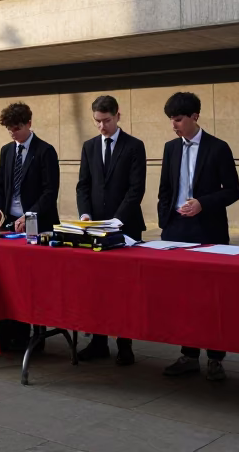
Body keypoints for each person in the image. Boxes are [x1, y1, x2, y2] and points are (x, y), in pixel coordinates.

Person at [157, 92, 239, 382]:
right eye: (171, 119)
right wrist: (165, 221)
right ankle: (189, 355)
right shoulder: (170, 148)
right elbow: (165, 188)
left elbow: (233, 190)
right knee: (183, 296)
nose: (174, 125)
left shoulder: (218, 148)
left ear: (195, 117)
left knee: (212, 296)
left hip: (209, 230)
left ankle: (216, 358)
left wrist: (203, 203)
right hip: (176, 230)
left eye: (178, 119)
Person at [75, 95, 146, 366]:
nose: (102, 127)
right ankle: (98, 341)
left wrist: (116, 220)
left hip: (124, 227)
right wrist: (85, 214)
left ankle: (125, 344)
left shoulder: (134, 146)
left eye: (106, 121)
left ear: (118, 115)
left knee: (123, 289)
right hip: (94, 227)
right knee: (96, 288)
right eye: (97, 122)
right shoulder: (89, 146)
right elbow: (83, 185)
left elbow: (135, 189)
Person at [0, 102, 60, 352]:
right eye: (9, 130)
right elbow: (0, 186)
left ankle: (33, 334)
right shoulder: (7, 151)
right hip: (10, 224)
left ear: (29, 124)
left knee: (31, 281)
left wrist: (30, 215)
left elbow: (50, 192)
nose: (13, 133)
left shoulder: (45, 151)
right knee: (8, 278)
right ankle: (8, 332)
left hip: (38, 226)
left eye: (17, 128)